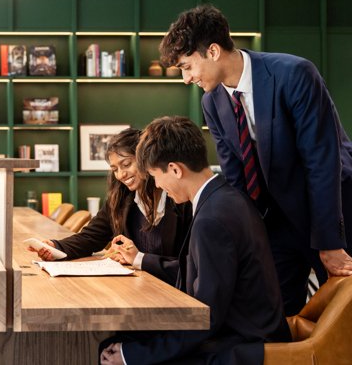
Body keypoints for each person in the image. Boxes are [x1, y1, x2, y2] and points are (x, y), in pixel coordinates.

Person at [159, 4, 352, 315]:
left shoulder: (294, 74)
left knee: (343, 319)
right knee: (276, 317)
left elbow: (322, 163)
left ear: (212, 51)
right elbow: (236, 178)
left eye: (187, 66)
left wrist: (330, 242)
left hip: (330, 211)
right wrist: (247, 239)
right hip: (275, 222)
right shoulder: (213, 101)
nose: (186, 78)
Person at [100, 116, 290, 365]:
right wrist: (140, 260)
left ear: (175, 169)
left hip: (241, 344)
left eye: (156, 176)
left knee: (113, 350)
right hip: (242, 330)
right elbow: (200, 272)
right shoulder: (226, 198)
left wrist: (131, 355)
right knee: (118, 341)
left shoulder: (211, 219)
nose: (157, 184)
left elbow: (205, 318)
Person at [27, 127, 193, 285]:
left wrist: (138, 258)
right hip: (139, 287)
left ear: (146, 159)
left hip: (175, 292)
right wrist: (56, 247)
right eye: (115, 169)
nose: (121, 175)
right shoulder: (120, 201)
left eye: (126, 164)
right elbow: (90, 238)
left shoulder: (181, 201)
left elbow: (191, 267)